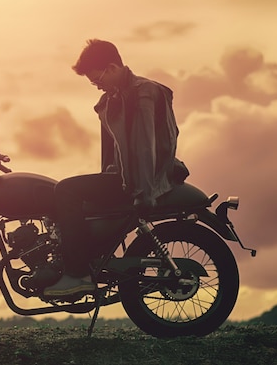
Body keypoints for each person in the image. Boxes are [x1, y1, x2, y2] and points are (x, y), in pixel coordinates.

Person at [43, 39, 182, 297]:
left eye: (98, 80)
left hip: (142, 181)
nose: (97, 86)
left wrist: (144, 193)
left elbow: (145, 147)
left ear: (112, 67)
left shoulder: (143, 93)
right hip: (124, 178)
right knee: (62, 193)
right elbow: (113, 152)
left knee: (65, 190)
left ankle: (77, 275)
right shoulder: (113, 98)